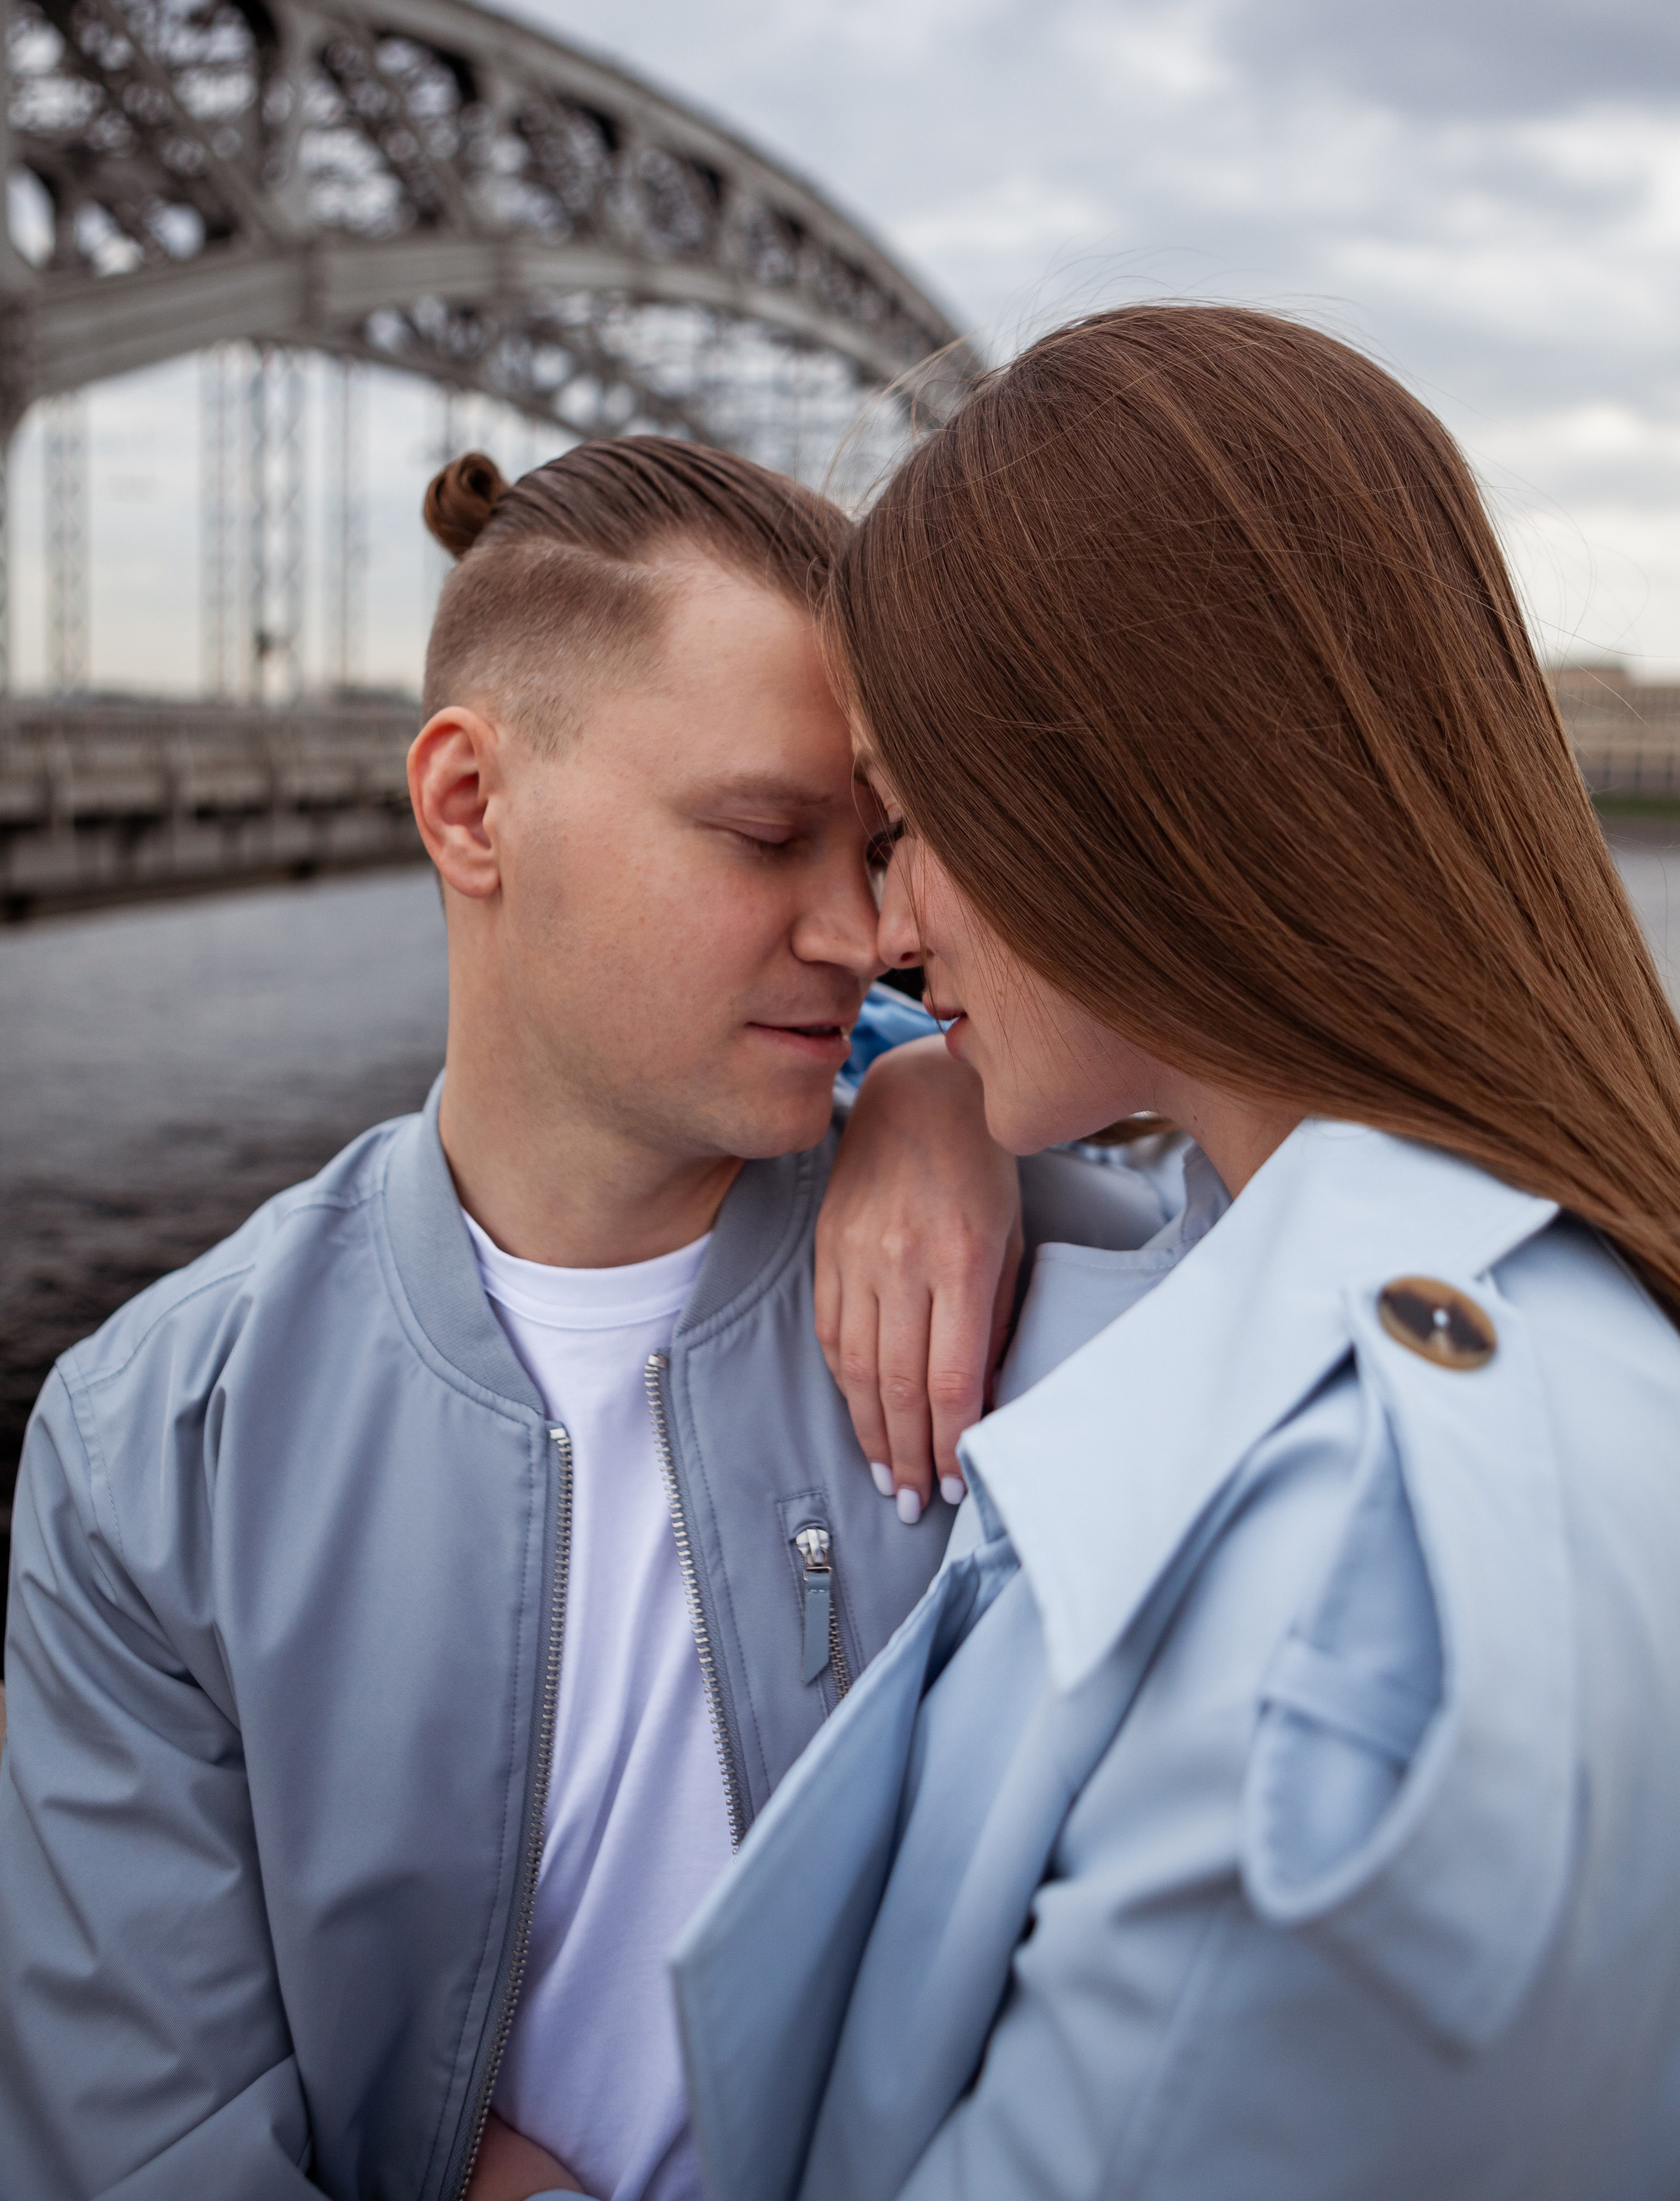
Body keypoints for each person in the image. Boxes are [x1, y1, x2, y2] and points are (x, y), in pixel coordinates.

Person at [0, 438, 1165, 2201]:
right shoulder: (149, 1445)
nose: (863, 933)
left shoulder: (1058, 1285)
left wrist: (940, 1084)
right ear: (471, 807)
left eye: (878, 847)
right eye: (768, 836)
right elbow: (145, 2138)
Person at [673, 307, 1680, 2201]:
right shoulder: (1529, 1290)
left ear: (1117, 793)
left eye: (903, 822)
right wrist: (921, 1100)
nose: (883, 930)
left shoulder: (1357, 1608)